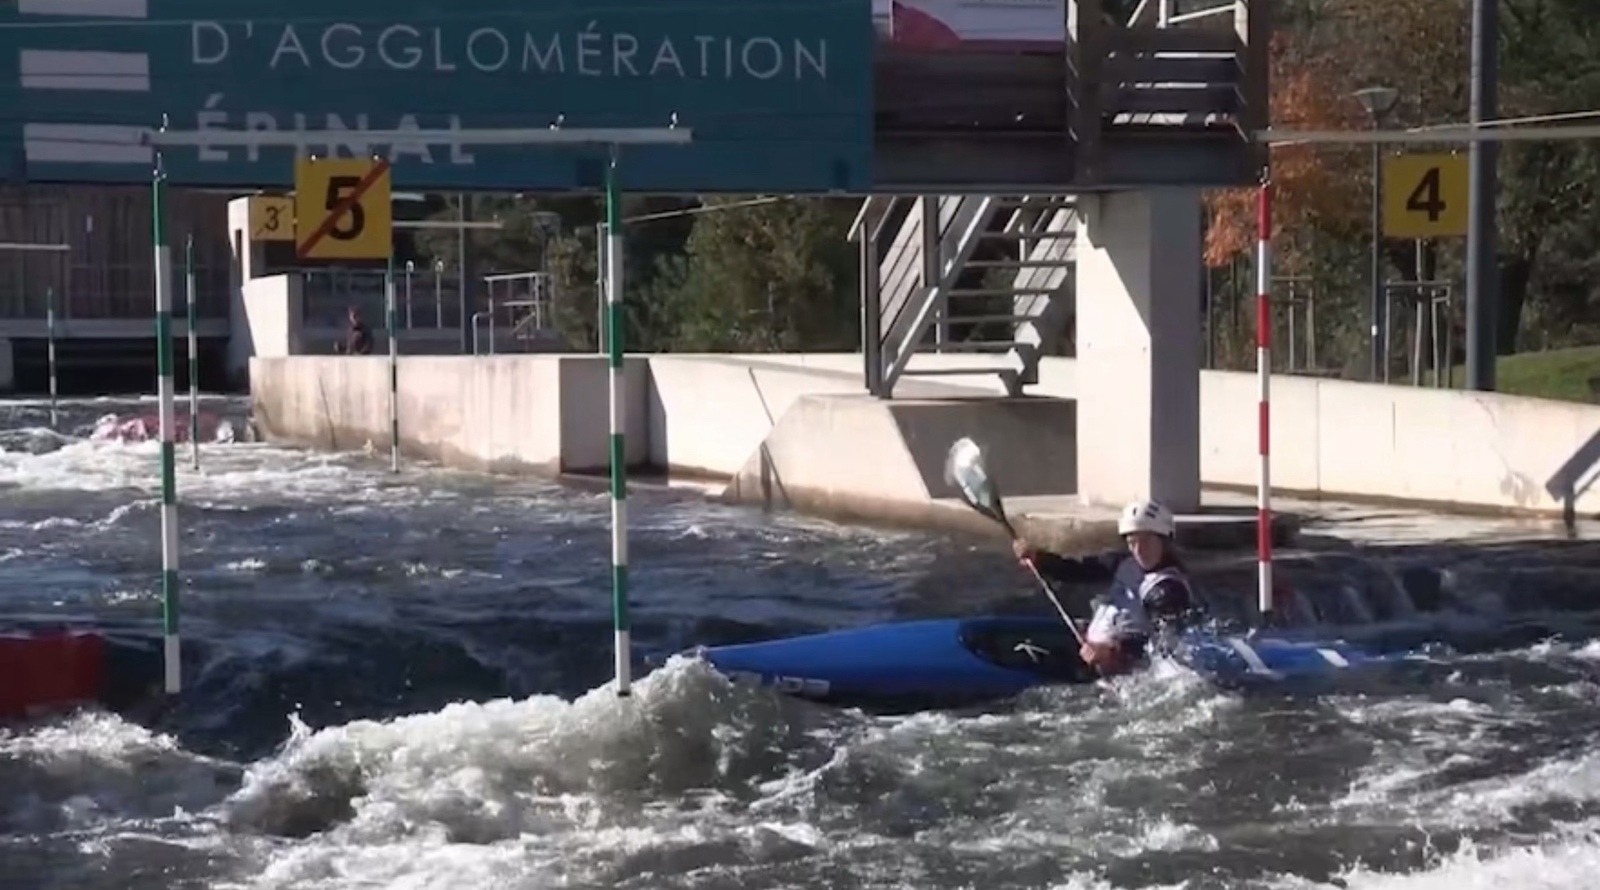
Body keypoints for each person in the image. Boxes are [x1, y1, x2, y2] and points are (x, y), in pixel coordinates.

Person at [1013, 498, 1205, 676]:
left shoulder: (1168, 590)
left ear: (1164, 540)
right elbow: (1078, 570)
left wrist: (1111, 651)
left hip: (1121, 670)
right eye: (1132, 542)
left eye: (1146, 541)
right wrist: (1040, 559)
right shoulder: (1124, 562)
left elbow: (1161, 645)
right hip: (1092, 651)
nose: (1138, 550)